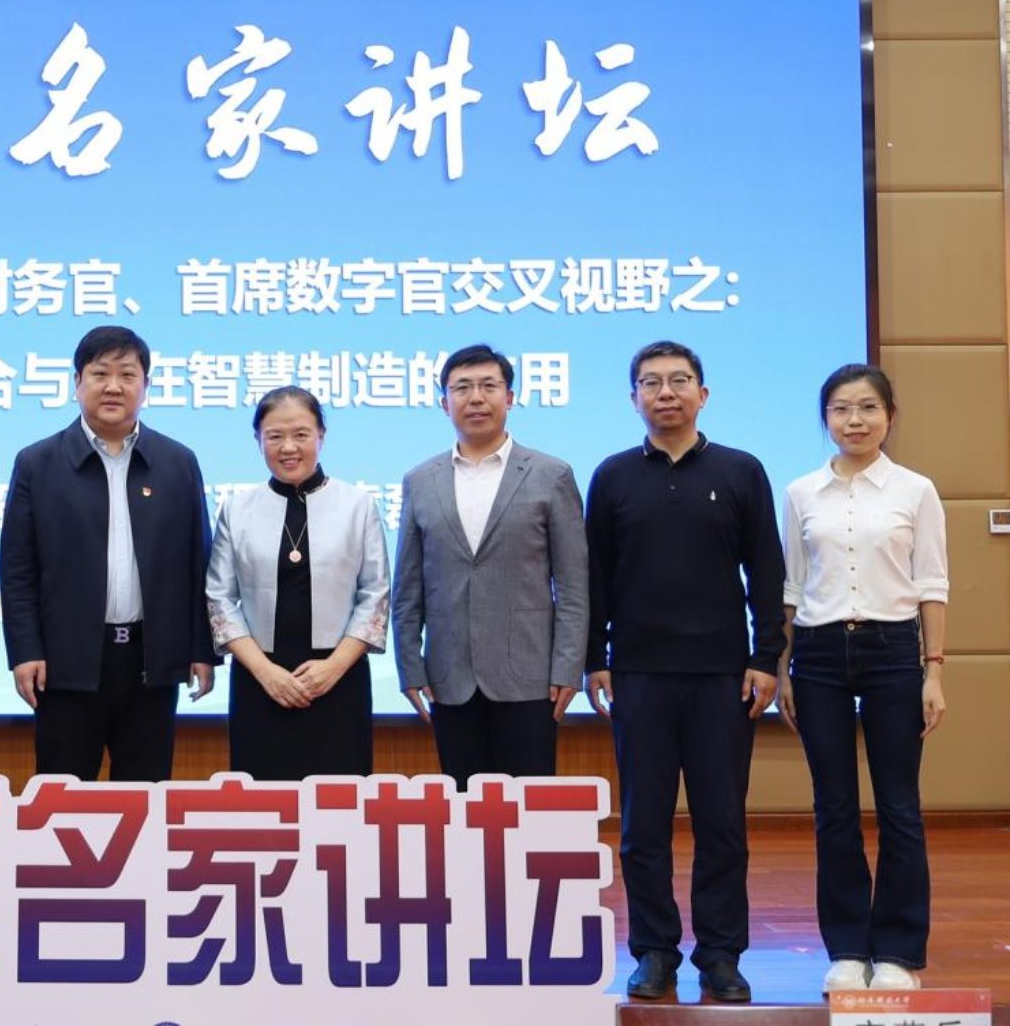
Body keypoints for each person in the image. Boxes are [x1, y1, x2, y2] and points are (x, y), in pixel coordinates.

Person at [584, 339, 784, 1004]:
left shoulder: (741, 470)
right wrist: (594, 659)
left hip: (723, 676)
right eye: (651, 382)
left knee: (721, 823)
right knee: (642, 825)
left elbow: (766, 569)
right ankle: (654, 951)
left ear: (703, 393)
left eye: (678, 380)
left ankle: (721, 954)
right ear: (633, 397)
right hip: (638, 674)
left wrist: (765, 657)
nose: (665, 392)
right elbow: (595, 576)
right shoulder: (613, 476)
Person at [777, 365, 948, 994]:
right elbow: (792, 588)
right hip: (819, 653)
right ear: (825, 419)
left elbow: (932, 583)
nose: (855, 420)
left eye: (868, 408)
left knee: (899, 805)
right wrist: (783, 668)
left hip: (893, 650)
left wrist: (934, 670)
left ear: (890, 416)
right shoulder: (801, 492)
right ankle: (847, 948)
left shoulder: (916, 490)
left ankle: (898, 952)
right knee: (834, 807)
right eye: (841, 409)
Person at [0, 325, 214, 781]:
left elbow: (198, 562)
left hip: (151, 661)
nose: (113, 386)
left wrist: (201, 648)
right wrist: (25, 651)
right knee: (62, 796)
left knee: (145, 796)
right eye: (100, 374)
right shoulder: (37, 463)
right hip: (66, 662)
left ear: (146, 386)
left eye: (127, 375)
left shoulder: (178, 462)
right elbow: (18, 570)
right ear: (77, 383)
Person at [392, 344, 587, 788]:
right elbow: (408, 587)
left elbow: (573, 585)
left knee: (529, 810)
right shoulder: (420, 481)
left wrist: (567, 668)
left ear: (510, 398)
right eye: (462, 388)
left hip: (531, 676)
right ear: (445, 403)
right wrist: (409, 666)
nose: (476, 398)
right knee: (463, 809)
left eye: (488, 386)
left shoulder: (551, 474)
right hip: (450, 676)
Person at [206, 387, 388, 778]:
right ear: (258, 441)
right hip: (260, 680)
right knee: (262, 800)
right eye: (274, 436)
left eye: (301, 434)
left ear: (321, 435)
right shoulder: (237, 508)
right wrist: (265, 672)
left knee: (340, 799)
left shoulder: (357, 505)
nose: (288, 447)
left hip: (339, 678)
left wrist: (333, 668)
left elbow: (375, 594)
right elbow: (218, 598)